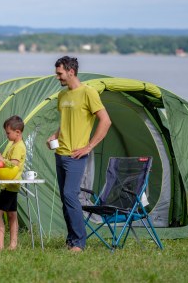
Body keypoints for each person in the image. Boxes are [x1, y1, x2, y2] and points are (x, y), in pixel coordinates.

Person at [47, 56, 111, 252]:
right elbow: (66, 121)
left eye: (60, 73)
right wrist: (55, 134)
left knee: (70, 195)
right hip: (60, 153)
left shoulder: (88, 93)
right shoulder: (62, 96)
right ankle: (71, 240)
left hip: (76, 156)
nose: (57, 77)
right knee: (65, 198)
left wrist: (89, 147)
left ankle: (79, 243)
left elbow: (105, 121)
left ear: (71, 72)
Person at [0, 115, 27, 251]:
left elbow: (14, 164)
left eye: (8, 133)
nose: (7, 135)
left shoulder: (19, 147)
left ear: (18, 132)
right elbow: (7, 160)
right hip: (9, 184)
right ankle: (13, 244)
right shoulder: (12, 145)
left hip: (11, 185)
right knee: (12, 214)